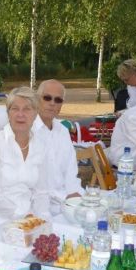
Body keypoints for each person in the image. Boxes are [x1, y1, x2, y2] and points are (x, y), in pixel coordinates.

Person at [0, 87, 47, 230]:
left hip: (28, 218)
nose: (20, 114)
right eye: (15, 109)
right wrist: (26, 217)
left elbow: (42, 192)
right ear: (8, 113)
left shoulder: (40, 145)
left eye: (27, 109)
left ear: (35, 114)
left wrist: (43, 218)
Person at [34, 80, 83, 213]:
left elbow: (71, 173)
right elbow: (35, 184)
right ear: (37, 99)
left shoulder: (63, 131)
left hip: (67, 205)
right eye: (47, 98)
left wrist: (75, 197)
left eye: (58, 100)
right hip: (39, 209)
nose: (52, 103)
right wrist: (67, 198)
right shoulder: (28, 132)